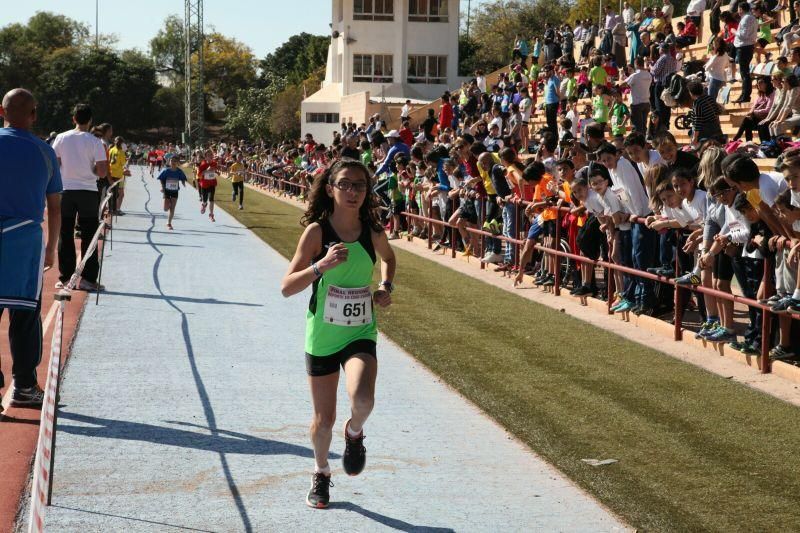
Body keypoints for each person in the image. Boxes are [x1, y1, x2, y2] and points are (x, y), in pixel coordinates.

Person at [280, 160, 396, 509]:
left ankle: (355, 433)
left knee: (363, 400)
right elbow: (287, 286)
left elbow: (389, 258)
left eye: (359, 185)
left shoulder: (372, 229)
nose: (353, 192)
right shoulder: (317, 232)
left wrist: (385, 285)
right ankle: (321, 472)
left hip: (360, 330)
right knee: (323, 419)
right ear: (330, 187)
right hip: (323, 336)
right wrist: (321, 266)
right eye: (345, 184)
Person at [0, 88, 62, 408]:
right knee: (25, 316)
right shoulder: (44, 152)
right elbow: (55, 205)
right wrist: (52, 246)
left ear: (2, 111)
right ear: (34, 114)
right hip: (24, 242)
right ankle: (24, 385)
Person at [52, 104, 108, 292]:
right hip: (88, 192)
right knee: (89, 235)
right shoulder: (95, 142)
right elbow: (101, 172)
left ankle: (65, 277)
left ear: (73, 118)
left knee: (65, 234)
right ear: (90, 120)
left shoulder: (61, 138)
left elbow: (55, 163)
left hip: (65, 191)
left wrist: (67, 170)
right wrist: (89, 170)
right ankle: (87, 280)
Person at [734, 1, 759, 103]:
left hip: (744, 47)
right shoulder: (751, 17)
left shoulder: (746, 18)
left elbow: (744, 35)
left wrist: (734, 31)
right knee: (745, 73)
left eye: (738, 9)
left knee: (744, 73)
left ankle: (745, 96)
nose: (738, 11)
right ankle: (744, 95)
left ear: (741, 9)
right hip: (747, 47)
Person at [157, 156, 187, 230]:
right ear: (169, 162)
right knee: (165, 209)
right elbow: (161, 179)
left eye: (175, 161)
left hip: (175, 191)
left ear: (177, 163)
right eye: (171, 161)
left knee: (172, 208)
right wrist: (162, 188)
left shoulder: (179, 171)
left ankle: (169, 223)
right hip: (167, 190)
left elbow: (183, 178)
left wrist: (183, 182)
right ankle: (168, 203)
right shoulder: (166, 171)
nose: (173, 162)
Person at [108, 136, 128, 215]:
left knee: (111, 192)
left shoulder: (111, 150)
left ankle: (111, 209)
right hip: (117, 174)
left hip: (110, 172)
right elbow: (123, 163)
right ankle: (114, 210)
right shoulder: (121, 152)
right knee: (116, 193)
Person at [197, 149, 219, 222]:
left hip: (212, 183)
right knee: (205, 200)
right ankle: (204, 205)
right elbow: (199, 175)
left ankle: (211, 215)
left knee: (212, 199)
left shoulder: (214, 163)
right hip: (204, 184)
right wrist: (207, 170)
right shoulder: (203, 165)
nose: (211, 156)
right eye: (209, 155)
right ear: (205, 157)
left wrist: (217, 173)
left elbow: (215, 171)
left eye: (211, 155)